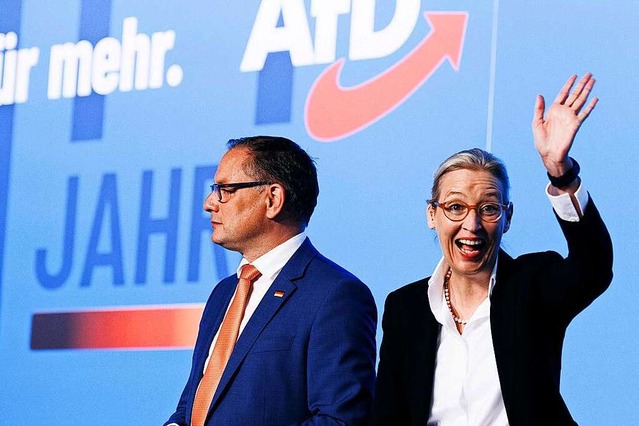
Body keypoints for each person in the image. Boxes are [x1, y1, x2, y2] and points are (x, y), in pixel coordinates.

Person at [372, 73, 613, 425]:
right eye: (455, 207)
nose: (471, 226)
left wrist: (561, 174)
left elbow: (593, 267)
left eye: (488, 208)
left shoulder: (533, 286)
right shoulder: (405, 307)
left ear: (507, 217)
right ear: (432, 215)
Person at [165, 136, 377, 426]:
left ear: (273, 199)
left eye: (225, 190)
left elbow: (339, 420)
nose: (209, 203)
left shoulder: (335, 295)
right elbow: (194, 403)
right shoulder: (224, 293)